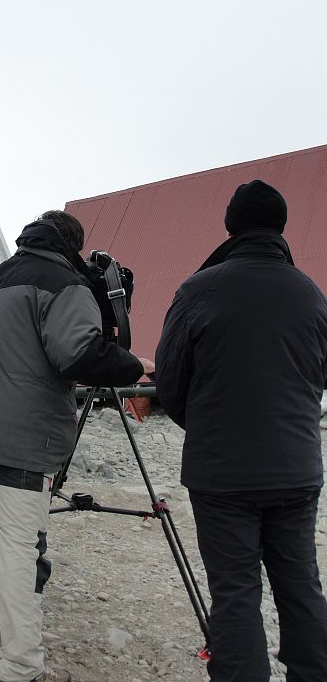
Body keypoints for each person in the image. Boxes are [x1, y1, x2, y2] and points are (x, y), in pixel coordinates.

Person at [0, 210, 154, 682]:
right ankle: (22, 667)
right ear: (72, 246)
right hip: (26, 433)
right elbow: (80, 355)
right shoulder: (65, 283)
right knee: (22, 548)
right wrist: (133, 365)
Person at [155, 180, 327, 682]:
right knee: (301, 586)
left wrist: (207, 422)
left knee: (235, 592)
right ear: (281, 226)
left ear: (230, 226)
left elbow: (170, 380)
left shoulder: (199, 288)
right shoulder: (310, 293)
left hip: (223, 473)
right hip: (296, 470)